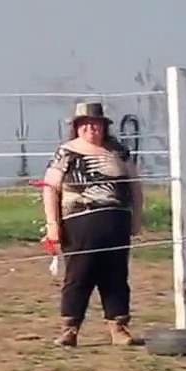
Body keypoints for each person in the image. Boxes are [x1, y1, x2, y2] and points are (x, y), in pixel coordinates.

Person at [41, 100, 144, 348]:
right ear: (77, 127)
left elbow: (135, 187)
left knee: (116, 275)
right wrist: (53, 224)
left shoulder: (119, 151)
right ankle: (70, 329)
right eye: (85, 125)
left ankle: (118, 326)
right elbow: (50, 188)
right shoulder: (67, 152)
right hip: (79, 222)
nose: (91, 130)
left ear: (103, 127)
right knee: (79, 274)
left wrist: (137, 218)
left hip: (116, 222)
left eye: (95, 125)